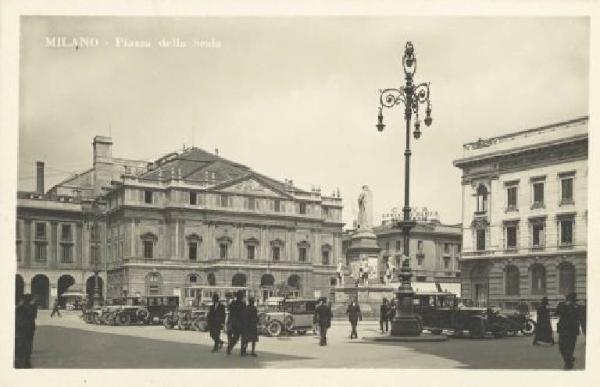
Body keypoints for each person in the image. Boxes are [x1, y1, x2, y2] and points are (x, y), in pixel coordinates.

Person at [556, 293, 584, 370]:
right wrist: (565, 306)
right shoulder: (562, 304)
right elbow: (557, 313)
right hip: (564, 329)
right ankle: (569, 359)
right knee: (562, 346)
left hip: (572, 329)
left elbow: (579, 316)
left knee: (569, 346)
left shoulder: (577, 306)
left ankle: (568, 363)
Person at [15, 294, 37, 368]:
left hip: (25, 333)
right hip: (23, 334)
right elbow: (21, 323)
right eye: (33, 300)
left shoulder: (27, 308)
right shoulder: (22, 309)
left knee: (24, 350)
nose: (34, 301)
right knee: (22, 351)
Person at [226, 290, 246, 356]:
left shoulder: (233, 303)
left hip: (233, 322)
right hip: (240, 322)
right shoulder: (243, 304)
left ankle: (230, 347)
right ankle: (242, 351)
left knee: (236, 337)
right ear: (241, 297)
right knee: (243, 337)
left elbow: (229, 310)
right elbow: (244, 313)